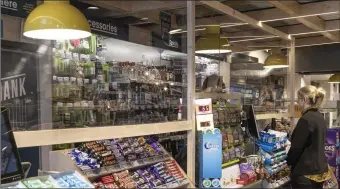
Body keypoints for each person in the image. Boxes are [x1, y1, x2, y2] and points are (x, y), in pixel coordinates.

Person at [287, 85, 329, 189]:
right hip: (319, 171)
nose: (297, 103)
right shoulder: (319, 117)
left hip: (305, 173)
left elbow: (297, 148)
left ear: (304, 99)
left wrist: (288, 161)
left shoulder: (306, 119)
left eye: (298, 100)